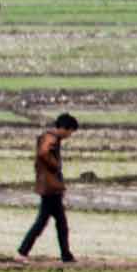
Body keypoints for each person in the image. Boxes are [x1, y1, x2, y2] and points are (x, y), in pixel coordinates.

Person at [18, 112, 80, 263]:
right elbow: (43, 153)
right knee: (45, 223)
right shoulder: (51, 138)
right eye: (70, 131)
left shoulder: (51, 137)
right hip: (50, 188)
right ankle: (22, 252)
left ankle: (65, 254)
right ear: (64, 128)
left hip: (50, 187)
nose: (70, 135)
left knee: (59, 223)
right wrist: (55, 164)